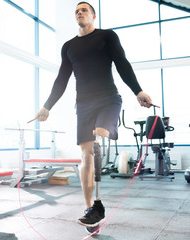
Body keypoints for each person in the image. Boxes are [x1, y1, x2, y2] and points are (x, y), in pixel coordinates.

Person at [34, 2, 153, 227]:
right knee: (85, 154)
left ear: (94, 15)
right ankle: (91, 207)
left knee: (97, 139)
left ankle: (96, 205)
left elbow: (122, 64)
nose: (79, 13)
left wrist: (138, 91)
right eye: (76, 11)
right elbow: (62, 78)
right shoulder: (68, 46)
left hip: (109, 99)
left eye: (84, 10)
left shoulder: (107, 36)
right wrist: (47, 106)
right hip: (84, 104)